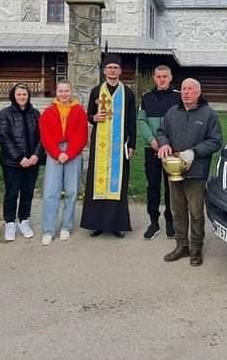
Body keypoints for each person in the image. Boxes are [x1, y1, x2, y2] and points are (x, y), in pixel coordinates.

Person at [156, 78, 223, 266]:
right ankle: (181, 245)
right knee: (177, 210)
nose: (185, 92)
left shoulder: (208, 114)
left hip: (197, 172)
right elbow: (161, 132)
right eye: (183, 88)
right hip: (174, 170)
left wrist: (194, 152)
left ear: (198, 93)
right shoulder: (172, 112)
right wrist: (164, 143)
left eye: (190, 89)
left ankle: (195, 249)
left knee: (195, 212)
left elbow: (216, 141)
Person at [80, 54, 135, 238]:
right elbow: (88, 115)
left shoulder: (127, 93)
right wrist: (94, 118)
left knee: (118, 183)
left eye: (115, 67)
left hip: (120, 145)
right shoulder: (96, 91)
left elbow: (132, 121)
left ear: (120, 70)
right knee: (98, 181)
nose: (112, 70)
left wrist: (132, 144)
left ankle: (116, 224)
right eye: (109, 67)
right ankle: (97, 223)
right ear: (104, 71)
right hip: (101, 144)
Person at [38, 81, 88, 245]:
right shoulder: (48, 112)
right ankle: (48, 229)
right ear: (56, 92)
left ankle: (66, 226)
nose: (64, 94)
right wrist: (57, 153)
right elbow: (46, 135)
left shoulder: (79, 111)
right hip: (55, 152)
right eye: (61, 91)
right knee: (51, 192)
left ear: (71, 92)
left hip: (72, 151)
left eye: (67, 91)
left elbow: (81, 134)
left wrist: (69, 153)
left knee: (72, 191)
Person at [137, 65, 180, 239]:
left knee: (172, 188)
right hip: (152, 149)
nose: (161, 79)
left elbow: (181, 122)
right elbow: (141, 121)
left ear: (170, 78)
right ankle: (154, 222)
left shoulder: (178, 97)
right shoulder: (146, 97)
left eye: (165, 76)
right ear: (154, 78)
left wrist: (168, 143)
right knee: (153, 186)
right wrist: (152, 140)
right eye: (158, 76)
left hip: (171, 150)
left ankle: (171, 222)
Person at [0, 83, 43, 241]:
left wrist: (36, 155)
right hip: (12, 162)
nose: (22, 97)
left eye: (24, 94)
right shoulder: (5, 113)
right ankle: (10, 222)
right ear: (13, 96)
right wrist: (19, 157)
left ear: (28, 96)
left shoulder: (35, 113)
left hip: (32, 161)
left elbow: (42, 136)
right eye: (19, 94)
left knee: (27, 192)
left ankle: (24, 220)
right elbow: (3, 137)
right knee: (12, 192)